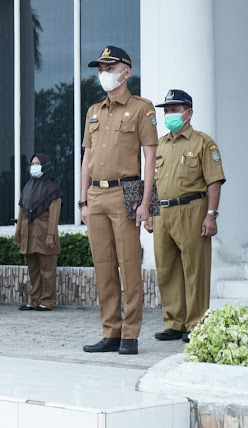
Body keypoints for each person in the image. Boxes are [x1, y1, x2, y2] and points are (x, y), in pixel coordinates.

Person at [79, 46, 157, 355]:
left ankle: (130, 334)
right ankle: (110, 331)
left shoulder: (142, 108)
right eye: (101, 69)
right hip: (96, 195)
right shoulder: (94, 110)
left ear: (126, 71)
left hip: (126, 191)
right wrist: (82, 201)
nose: (104, 75)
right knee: (103, 267)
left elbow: (150, 159)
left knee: (129, 265)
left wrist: (145, 202)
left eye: (109, 68)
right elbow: (87, 157)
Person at [146, 90, 226, 343]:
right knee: (166, 269)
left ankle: (196, 324)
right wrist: (148, 211)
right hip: (163, 213)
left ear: (188, 113)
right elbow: (151, 181)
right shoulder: (159, 144)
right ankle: (174, 323)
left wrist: (211, 215)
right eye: (166, 110)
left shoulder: (203, 143)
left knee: (195, 269)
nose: (169, 114)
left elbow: (214, 181)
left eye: (175, 109)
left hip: (192, 210)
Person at [14, 154, 63, 311]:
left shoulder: (53, 189)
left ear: (46, 166)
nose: (34, 166)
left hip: (43, 234)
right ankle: (34, 300)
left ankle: (47, 301)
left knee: (47, 270)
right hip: (29, 234)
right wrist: (18, 234)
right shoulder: (28, 186)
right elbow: (22, 211)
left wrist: (51, 235)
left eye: (37, 163)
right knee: (33, 269)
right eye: (32, 163)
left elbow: (54, 216)